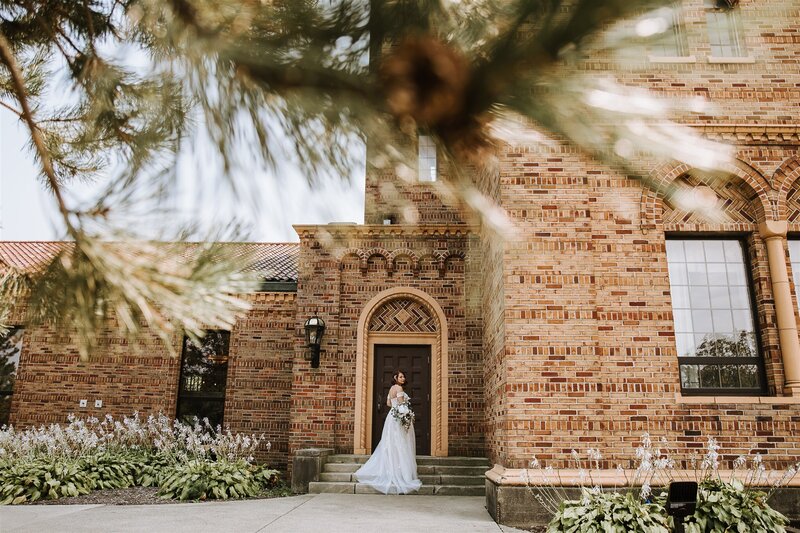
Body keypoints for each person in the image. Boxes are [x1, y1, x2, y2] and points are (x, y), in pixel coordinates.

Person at [354, 370, 422, 494]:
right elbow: (401, 405)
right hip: (399, 416)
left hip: (392, 417)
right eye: (400, 376)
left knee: (390, 442)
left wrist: (397, 409)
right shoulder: (399, 389)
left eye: (403, 377)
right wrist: (407, 414)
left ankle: (392, 467)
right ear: (396, 378)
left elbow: (388, 403)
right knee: (400, 443)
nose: (403, 378)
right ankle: (401, 473)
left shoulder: (391, 388)